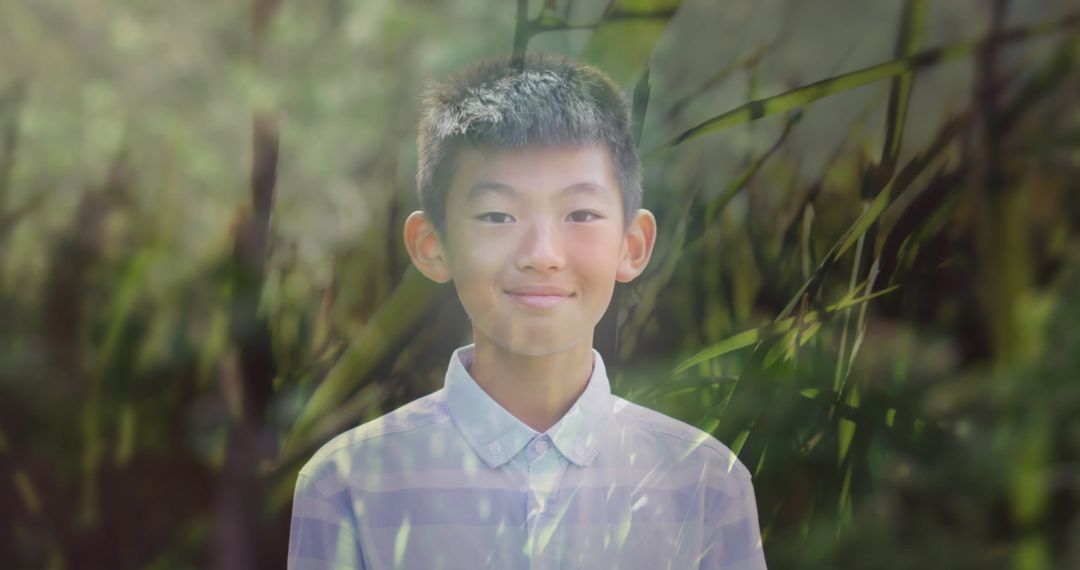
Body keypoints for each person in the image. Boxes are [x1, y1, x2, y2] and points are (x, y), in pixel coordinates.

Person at [287, 53, 767, 570]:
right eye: (498, 215)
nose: (542, 253)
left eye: (581, 214)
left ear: (632, 244)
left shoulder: (703, 483)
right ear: (433, 245)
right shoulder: (347, 484)